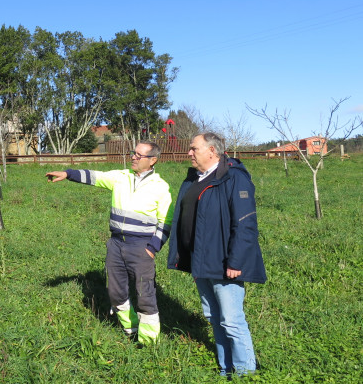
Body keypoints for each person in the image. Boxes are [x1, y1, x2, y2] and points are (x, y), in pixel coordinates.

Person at [46, 141, 173, 344]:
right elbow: (95, 176)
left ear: (152, 160)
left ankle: (149, 343)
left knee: (144, 295)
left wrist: (152, 248)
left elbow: (166, 221)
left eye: (139, 155)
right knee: (115, 292)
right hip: (116, 245)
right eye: (133, 153)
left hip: (141, 247)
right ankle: (131, 329)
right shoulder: (121, 177)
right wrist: (68, 174)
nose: (133, 157)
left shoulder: (160, 187)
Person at [167, 133, 266, 376]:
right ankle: (226, 368)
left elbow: (245, 223)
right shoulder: (194, 179)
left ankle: (246, 373)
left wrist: (236, 261)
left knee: (231, 320)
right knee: (214, 317)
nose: (189, 152)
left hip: (224, 263)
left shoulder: (233, 177)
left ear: (212, 150)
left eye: (194, 148)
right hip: (202, 262)